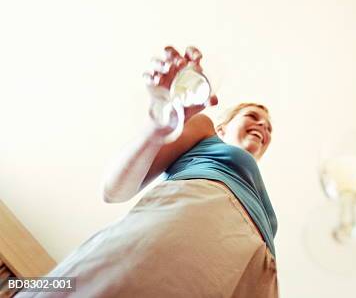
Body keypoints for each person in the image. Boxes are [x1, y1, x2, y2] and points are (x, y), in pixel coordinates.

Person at [19, 47, 278, 298]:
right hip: (199, 220)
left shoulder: (261, 195)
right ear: (223, 127)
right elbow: (114, 190)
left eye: (267, 127)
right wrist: (158, 128)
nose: (262, 127)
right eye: (253, 116)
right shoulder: (207, 131)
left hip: (255, 268)